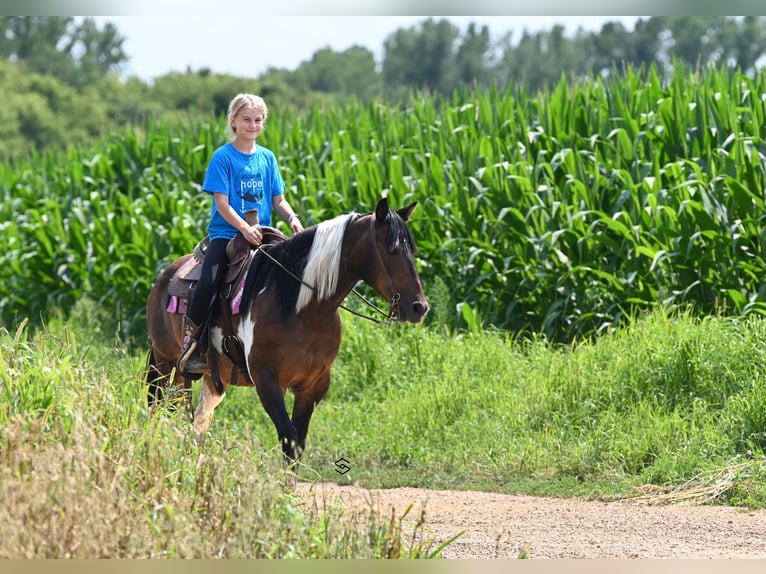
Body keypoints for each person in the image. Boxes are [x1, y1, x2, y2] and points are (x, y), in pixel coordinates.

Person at [178, 93, 304, 375]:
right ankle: (193, 346)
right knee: (209, 281)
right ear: (233, 121)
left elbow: (278, 200)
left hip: (265, 235)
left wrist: (293, 218)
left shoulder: (267, 158)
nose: (253, 125)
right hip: (227, 234)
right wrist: (244, 228)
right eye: (246, 119)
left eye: (258, 120)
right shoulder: (222, 157)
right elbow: (221, 204)